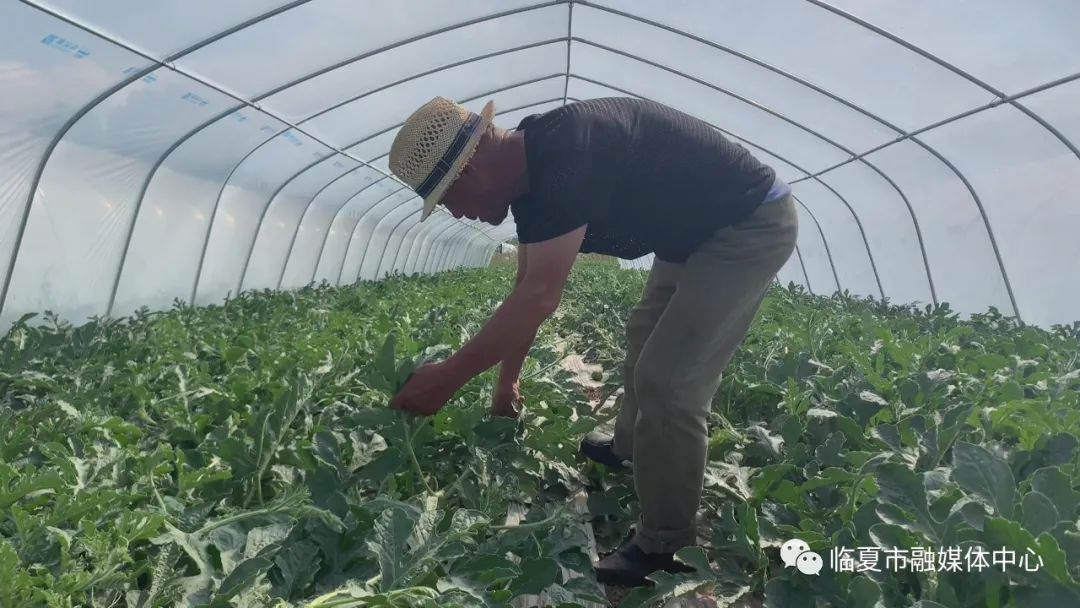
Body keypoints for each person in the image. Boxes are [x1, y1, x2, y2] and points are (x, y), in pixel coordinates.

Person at [387, 96, 798, 586]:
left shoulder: (569, 154)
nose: (457, 214)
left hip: (746, 223)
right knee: (642, 336)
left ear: (471, 171)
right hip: (689, 235)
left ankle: (667, 546)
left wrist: (446, 379)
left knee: (669, 381)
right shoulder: (530, 178)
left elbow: (541, 296)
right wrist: (507, 380)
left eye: (449, 200)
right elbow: (526, 287)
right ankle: (628, 447)